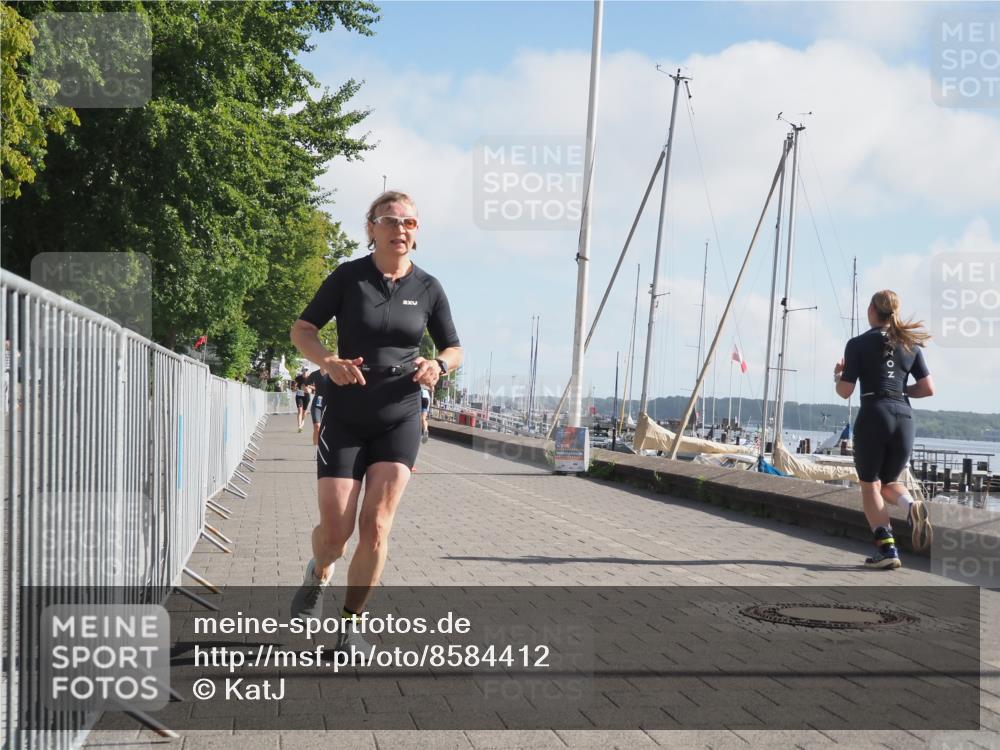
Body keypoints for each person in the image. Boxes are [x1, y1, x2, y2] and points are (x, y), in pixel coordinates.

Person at [288, 190, 462, 649]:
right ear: (371, 229)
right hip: (346, 412)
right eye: (390, 220)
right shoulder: (348, 278)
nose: (400, 229)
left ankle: (350, 625)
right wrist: (328, 362)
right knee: (336, 535)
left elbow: (453, 347)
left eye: (409, 222)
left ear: (417, 232)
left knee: (378, 525)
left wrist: (438, 365)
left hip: (400, 412)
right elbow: (302, 330)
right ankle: (317, 573)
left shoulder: (429, 287)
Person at [835, 290, 934, 570]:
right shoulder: (910, 345)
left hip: (874, 413)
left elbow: (845, 391)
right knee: (889, 482)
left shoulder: (857, 344)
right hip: (904, 417)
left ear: (871, 310)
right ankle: (910, 506)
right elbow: (928, 389)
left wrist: (837, 375)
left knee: (870, 486)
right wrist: (901, 390)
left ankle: (887, 549)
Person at [306, 368, 330, 447]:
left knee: (327, 429)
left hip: (329, 403)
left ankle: (325, 449)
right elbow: (304, 384)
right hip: (317, 402)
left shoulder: (332, 373)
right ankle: (316, 449)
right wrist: (307, 389)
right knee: (317, 427)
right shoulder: (315, 374)